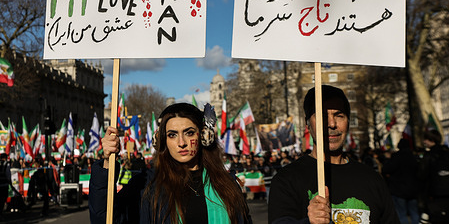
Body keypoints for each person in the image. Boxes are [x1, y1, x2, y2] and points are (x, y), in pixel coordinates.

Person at [89, 102, 252, 223]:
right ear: (161, 140)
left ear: (203, 136)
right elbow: (104, 217)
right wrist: (107, 162)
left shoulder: (227, 184)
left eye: (189, 133)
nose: (181, 142)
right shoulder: (146, 185)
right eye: (172, 135)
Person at [268, 85, 399, 224]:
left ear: (348, 122)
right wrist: (308, 222)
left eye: (339, 116)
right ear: (308, 123)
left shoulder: (372, 179)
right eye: (322, 116)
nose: (331, 124)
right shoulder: (287, 180)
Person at [382, 138, 420, 224]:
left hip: (399, 190)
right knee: (414, 213)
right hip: (412, 190)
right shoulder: (413, 157)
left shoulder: (397, 157)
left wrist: (387, 160)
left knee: (401, 214)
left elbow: (386, 169)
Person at [418, 129, 449, 223]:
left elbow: (421, 175)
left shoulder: (429, 156)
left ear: (432, 140)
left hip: (434, 195)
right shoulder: (447, 153)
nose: (424, 142)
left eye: (426, 139)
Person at [0, 153, 11, 219]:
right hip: (4, 184)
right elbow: (8, 174)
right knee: (2, 199)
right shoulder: (6, 164)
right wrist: (9, 181)